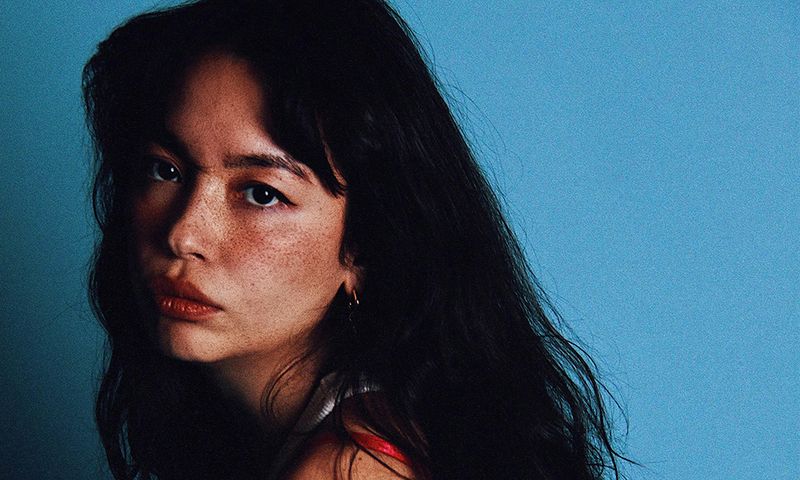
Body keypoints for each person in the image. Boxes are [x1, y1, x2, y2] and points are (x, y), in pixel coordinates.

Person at [83, 0, 626, 478]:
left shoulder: (348, 468)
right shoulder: (372, 426)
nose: (183, 234)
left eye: (262, 194)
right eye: (164, 170)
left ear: (364, 248)